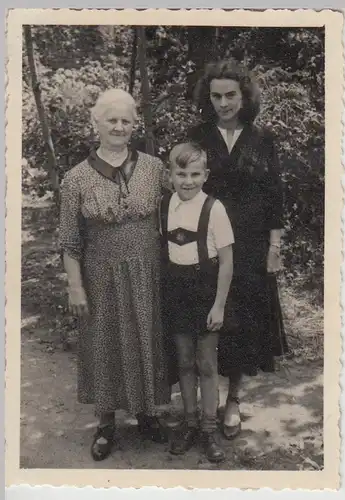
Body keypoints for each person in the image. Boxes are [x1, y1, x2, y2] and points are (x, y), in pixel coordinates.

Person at [59, 88, 171, 462]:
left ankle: (147, 414)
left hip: (146, 270)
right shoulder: (75, 179)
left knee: (144, 335)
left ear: (134, 124)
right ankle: (106, 424)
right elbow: (70, 241)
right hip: (100, 274)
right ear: (96, 125)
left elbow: (186, 203)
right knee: (105, 342)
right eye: (111, 120)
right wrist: (75, 286)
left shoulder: (155, 168)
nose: (119, 127)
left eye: (126, 120)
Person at [188, 60, 289, 440]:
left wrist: (274, 246)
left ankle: (233, 401)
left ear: (244, 96)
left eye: (231, 95)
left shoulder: (262, 139)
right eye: (216, 96)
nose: (224, 102)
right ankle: (204, 399)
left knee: (242, 324)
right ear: (208, 97)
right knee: (208, 320)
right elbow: (185, 186)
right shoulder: (197, 135)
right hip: (208, 244)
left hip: (250, 245)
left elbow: (275, 196)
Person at [160, 142, 234, 463]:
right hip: (177, 292)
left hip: (205, 292)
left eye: (194, 174)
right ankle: (189, 423)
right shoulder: (166, 205)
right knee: (185, 361)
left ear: (205, 175)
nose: (187, 181)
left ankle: (208, 427)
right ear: (170, 175)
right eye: (180, 174)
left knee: (207, 363)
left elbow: (228, 261)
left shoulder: (214, 208)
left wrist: (219, 305)